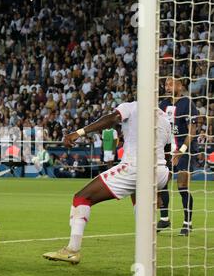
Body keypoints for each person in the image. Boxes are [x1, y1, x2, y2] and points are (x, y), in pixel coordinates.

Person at [43, 101, 172, 264]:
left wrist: (79, 132)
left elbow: (113, 118)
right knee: (139, 200)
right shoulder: (165, 119)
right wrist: (160, 189)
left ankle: (72, 250)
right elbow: (167, 155)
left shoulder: (132, 106)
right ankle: (146, 255)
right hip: (160, 172)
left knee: (82, 198)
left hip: (135, 167)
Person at [157, 76, 199, 236]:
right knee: (162, 184)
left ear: (180, 86)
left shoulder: (188, 103)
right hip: (167, 151)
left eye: (171, 83)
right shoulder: (163, 104)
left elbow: (192, 132)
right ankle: (165, 219)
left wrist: (180, 151)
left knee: (182, 186)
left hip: (185, 151)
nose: (167, 86)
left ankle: (187, 223)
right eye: (166, 84)